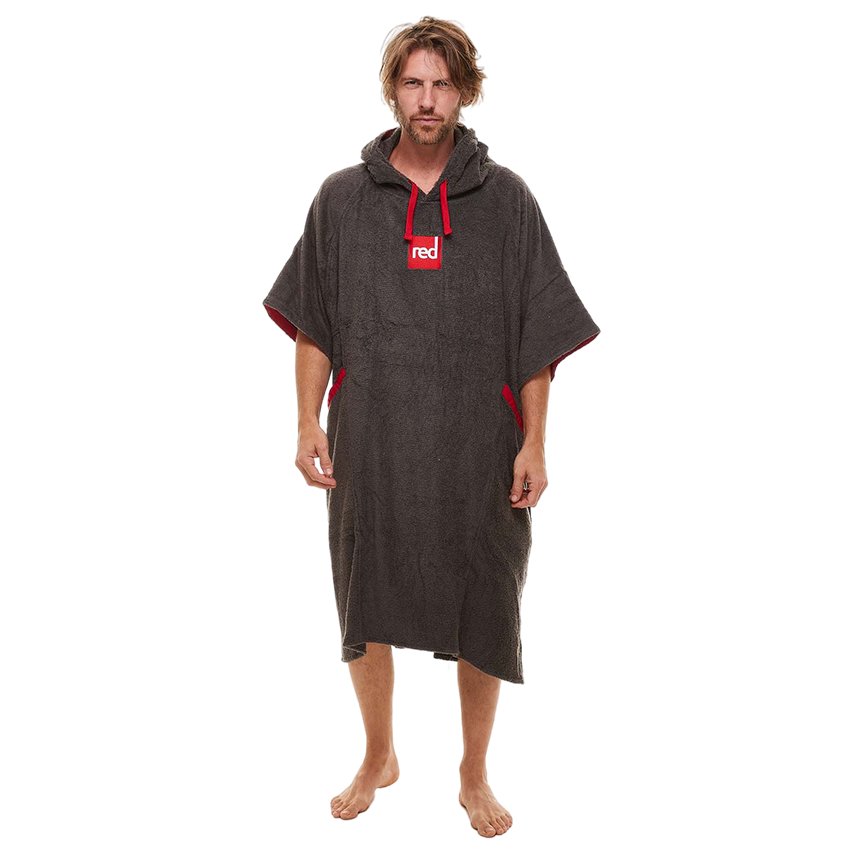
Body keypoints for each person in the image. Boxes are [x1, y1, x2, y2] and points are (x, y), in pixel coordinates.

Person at [263, 16, 599, 838]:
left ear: (464, 92)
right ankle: (378, 755)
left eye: (442, 85)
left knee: (485, 598)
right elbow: (314, 326)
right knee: (367, 594)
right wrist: (304, 418)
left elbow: (535, 336)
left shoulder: (508, 204)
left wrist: (534, 439)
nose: (427, 99)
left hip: (477, 443)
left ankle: (473, 772)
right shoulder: (341, 202)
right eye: (413, 82)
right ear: (393, 90)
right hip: (373, 439)